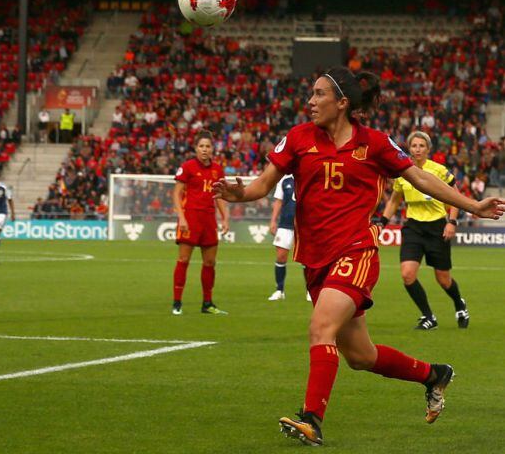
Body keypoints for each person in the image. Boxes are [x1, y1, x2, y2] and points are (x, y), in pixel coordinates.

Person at [213, 67, 504, 446]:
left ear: (342, 103)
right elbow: (263, 184)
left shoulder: (375, 142)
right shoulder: (299, 138)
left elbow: (421, 178)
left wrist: (472, 206)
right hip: (315, 258)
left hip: (356, 249)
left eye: (319, 94)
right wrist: (240, 194)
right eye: (311, 94)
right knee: (360, 356)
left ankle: (312, 419)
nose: (311, 101)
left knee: (321, 328)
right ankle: (434, 375)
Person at [380, 131, 469, 330]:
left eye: (421, 146)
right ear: (409, 149)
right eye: (414, 146)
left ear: (428, 149)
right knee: (407, 275)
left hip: (437, 227)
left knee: (443, 279)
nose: (417, 149)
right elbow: (395, 200)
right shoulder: (402, 172)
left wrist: (451, 222)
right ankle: (429, 316)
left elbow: (456, 196)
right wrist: (382, 222)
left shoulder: (438, 170)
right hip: (413, 228)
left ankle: (459, 304)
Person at [172, 130, 230, 315]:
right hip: (190, 218)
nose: (204, 149)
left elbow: (219, 196)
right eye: (201, 146)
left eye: (208, 146)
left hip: (208, 220)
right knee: (183, 259)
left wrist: (225, 217)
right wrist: (181, 217)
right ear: (196, 148)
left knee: (210, 262)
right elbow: (176, 193)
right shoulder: (187, 167)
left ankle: (207, 303)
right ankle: (177, 302)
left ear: (213, 149)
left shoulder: (218, 170)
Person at [267, 174, 310, 301]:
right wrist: (273, 221)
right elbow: (279, 201)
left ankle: (310, 291)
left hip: (305, 224)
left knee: (307, 259)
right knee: (281, 257)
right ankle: (279, 291)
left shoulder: (307, 176)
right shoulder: (284, 180)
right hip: (285, 224)